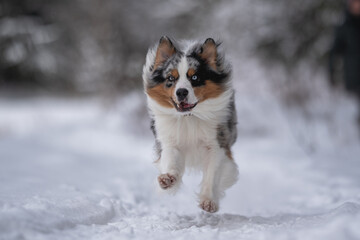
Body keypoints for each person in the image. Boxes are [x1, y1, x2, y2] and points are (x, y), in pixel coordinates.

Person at [329, 0, 360, 130]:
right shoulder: (344, 27)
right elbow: (335, 51)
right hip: (354, 74)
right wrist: (332, 73)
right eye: (354, 3)